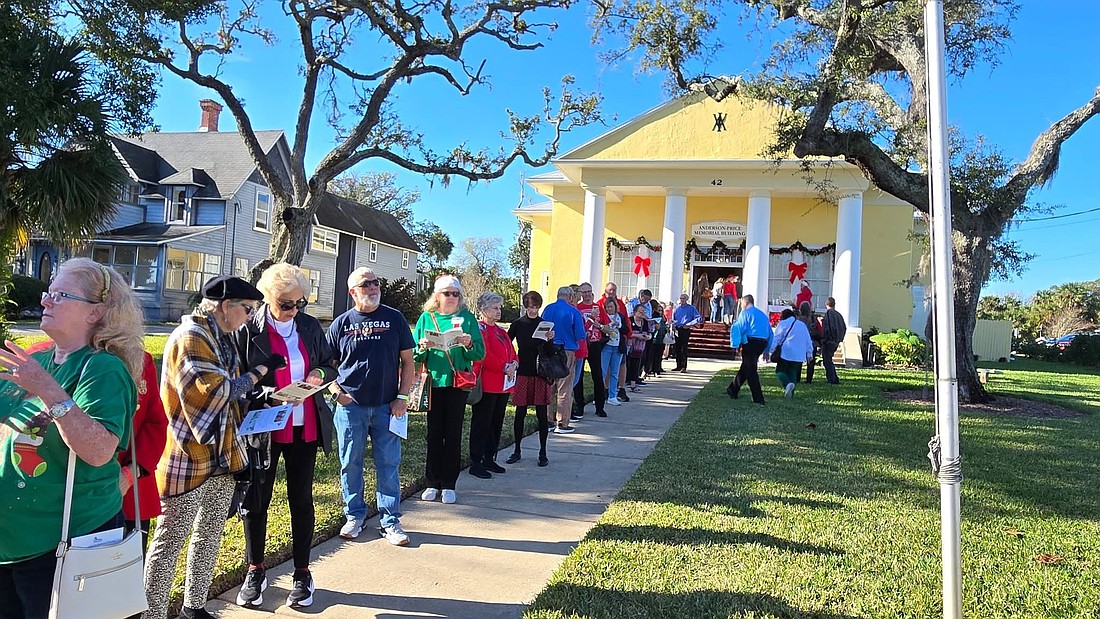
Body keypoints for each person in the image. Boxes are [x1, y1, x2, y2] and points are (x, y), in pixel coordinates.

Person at [0, 259, 143, 619]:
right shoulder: (38, 360)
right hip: (11, 541)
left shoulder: (103, 368)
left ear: (96, 312)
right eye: (48, 292)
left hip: (64, 544)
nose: (46, 300)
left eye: (60, 295)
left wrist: (49, 390)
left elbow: (98, 451)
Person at [145, 275, 282, 619]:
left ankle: (195, 607)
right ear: (225, 306)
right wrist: (259, 372)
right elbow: (215, 392)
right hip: (187, 456)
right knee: (168, 544)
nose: (250, 316)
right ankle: (153, 614)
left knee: (209, 535)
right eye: (247, 309)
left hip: (223, 454)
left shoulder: (222, 337)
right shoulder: (192, 336)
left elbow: (231, 395)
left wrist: (259, 399)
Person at [233, 263, 336, 608]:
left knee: (301, 499)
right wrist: (265, 393)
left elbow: (329, 362)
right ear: (268, 299)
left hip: (304, 423)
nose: (293, 310)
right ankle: (255, 569)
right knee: (257, 500)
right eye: (286, 304)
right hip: (264, 425)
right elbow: (237, 380)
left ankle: (303, 573)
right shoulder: (248, 329)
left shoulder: (308, 326)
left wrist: (320, 374)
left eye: (299, 303)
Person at [328, 267, 415, 539]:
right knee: (350, 463)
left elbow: (408, 362)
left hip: (387, 406)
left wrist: (402, 397)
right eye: (366, 285)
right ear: (352, 292)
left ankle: (390, 521)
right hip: (350, 407)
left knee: (388, 464)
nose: (373, 288)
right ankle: (354, 516)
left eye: (376, 282)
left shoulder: (394, 319)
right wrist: (335, 393)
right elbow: (325, 366)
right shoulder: (340, 324)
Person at [413, 275, 485, 503]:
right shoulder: (427, 318)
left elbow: (479, 353)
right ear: (437, 295)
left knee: (453, 434)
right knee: (434, 434)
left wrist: (468, 344)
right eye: (447, 293)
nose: (452, 297)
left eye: (456, 293)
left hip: (456, 383)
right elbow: (413, 354)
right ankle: (432, 482)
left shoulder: (467, 318)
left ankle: (449, 484)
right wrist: (422, 347)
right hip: (433, 382)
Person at [468, 292, 518, 479]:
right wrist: (503, 366)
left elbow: (512, 352)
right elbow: (484, 354)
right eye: (495, 308)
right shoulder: (480, 330)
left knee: (496, 422)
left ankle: (490, 457)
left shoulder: (501, 331)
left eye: (499, 308)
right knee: (482, 423)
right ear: (483, 310)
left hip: (503, 385)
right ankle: (476, 460)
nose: (499, 311)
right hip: (487, 383)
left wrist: (514, 363)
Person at [506, 292, 555, 466]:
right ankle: (517, 450)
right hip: (523, 372)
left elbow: (550, 352)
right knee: (520, 413)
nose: (533, 310)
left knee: (542, 415)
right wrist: (510, 362)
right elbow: (507, 344)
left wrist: (550, 340)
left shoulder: (544, 324)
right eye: (530, 307)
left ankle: (543, 452)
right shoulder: (518, 324)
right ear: (525, 307)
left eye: (535, 307)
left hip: (540, 373)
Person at [540, 286, 585, 433]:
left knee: (549, 385)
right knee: (564, 387)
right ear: (570, 296)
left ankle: (547, 419)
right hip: (567, 350)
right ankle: (562, 422)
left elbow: (542, 329)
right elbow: (580, 335)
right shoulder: (573, 311)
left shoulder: (548, 309)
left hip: (549, 349)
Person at [726, 294, 773, 405]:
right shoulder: (762, 315)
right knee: (746, 366)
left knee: (751, 370)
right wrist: (767, 350)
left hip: (751, 342)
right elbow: (771, 333)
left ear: (745, 302)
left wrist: (736, 344)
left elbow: (739, 328)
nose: (741, 305)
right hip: (762, 342)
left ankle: (758, 398)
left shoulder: (745, 313)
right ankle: (733, 389)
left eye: (742, 303)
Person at [574, 283, 610, 419]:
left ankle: (600, 407)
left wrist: (598, 325)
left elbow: (608, 329)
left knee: (597, 375)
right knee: (579, 375)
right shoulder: (577, 308)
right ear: (580, 293)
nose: (587, 294)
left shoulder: (599, 307)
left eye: (589, 291)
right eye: (584, 292)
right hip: (581, 344)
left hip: (595, 344)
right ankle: (579, 406)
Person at [771, 308, 814, 398]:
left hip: (786, 351)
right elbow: (808, 340)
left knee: (780, 370)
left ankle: (787, 384)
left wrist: (770, 350)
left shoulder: (783, 324)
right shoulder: (802, 325)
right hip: (799, 354)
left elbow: (777, 338)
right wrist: (809, 354)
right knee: (792, 372)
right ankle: (791, 392)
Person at [600, 283, 632, 402]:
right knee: (602, 371)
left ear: (615, 307)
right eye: (608, 307)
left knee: (614, 372)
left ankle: (612, 396)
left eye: (611, 307)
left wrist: (620, 326)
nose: (610, 309)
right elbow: (600, 329)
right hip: (606, 346)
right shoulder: (603, 317)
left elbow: (626, 328)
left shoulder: (620, 316)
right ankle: (600, 394)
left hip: (617, 347)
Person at [624, 304, 653, 393]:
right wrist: (637, 336)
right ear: (635, 312)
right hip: (629, 346)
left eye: (644, 312)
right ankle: (624, 382)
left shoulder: (645, 322)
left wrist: (648, 337)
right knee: (626, 364)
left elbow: (650, 333)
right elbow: (627, 333)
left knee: (636, 365)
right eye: (640, 312)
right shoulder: (629, 320)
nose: (642, 314)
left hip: (640, 347)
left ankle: (633, 384)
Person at [671, 293, 702, 372]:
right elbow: (673, 319)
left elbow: (698, 318)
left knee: (683, 348)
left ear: (687, 299)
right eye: (681, 298)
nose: (682, 300)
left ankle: (684, 366)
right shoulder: (677, 308)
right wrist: (673, 326)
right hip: (678, 328)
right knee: (677, 347)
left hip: (685, 328)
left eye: (684, 298)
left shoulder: (691, 308)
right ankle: (678, 365)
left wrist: (690, 324)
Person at [820, 296, 848, 385]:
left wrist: (824, 339)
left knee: (827, 360)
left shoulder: (828, 314)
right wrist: (839, 339)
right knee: (829, 360)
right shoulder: (839, 315)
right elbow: (844, 328)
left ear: (826, 304)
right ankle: (833, 378)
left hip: (829, 341)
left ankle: (832, 379)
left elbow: (828, 328)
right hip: (836, 341)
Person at [796, 301, 822, 384]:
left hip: (800, 342)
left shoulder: (798, 319)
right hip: (812, 342)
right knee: (811, 362)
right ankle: (809, 379)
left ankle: (797, 378)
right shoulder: (812, 319)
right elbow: (818, 330)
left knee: (798, 361)